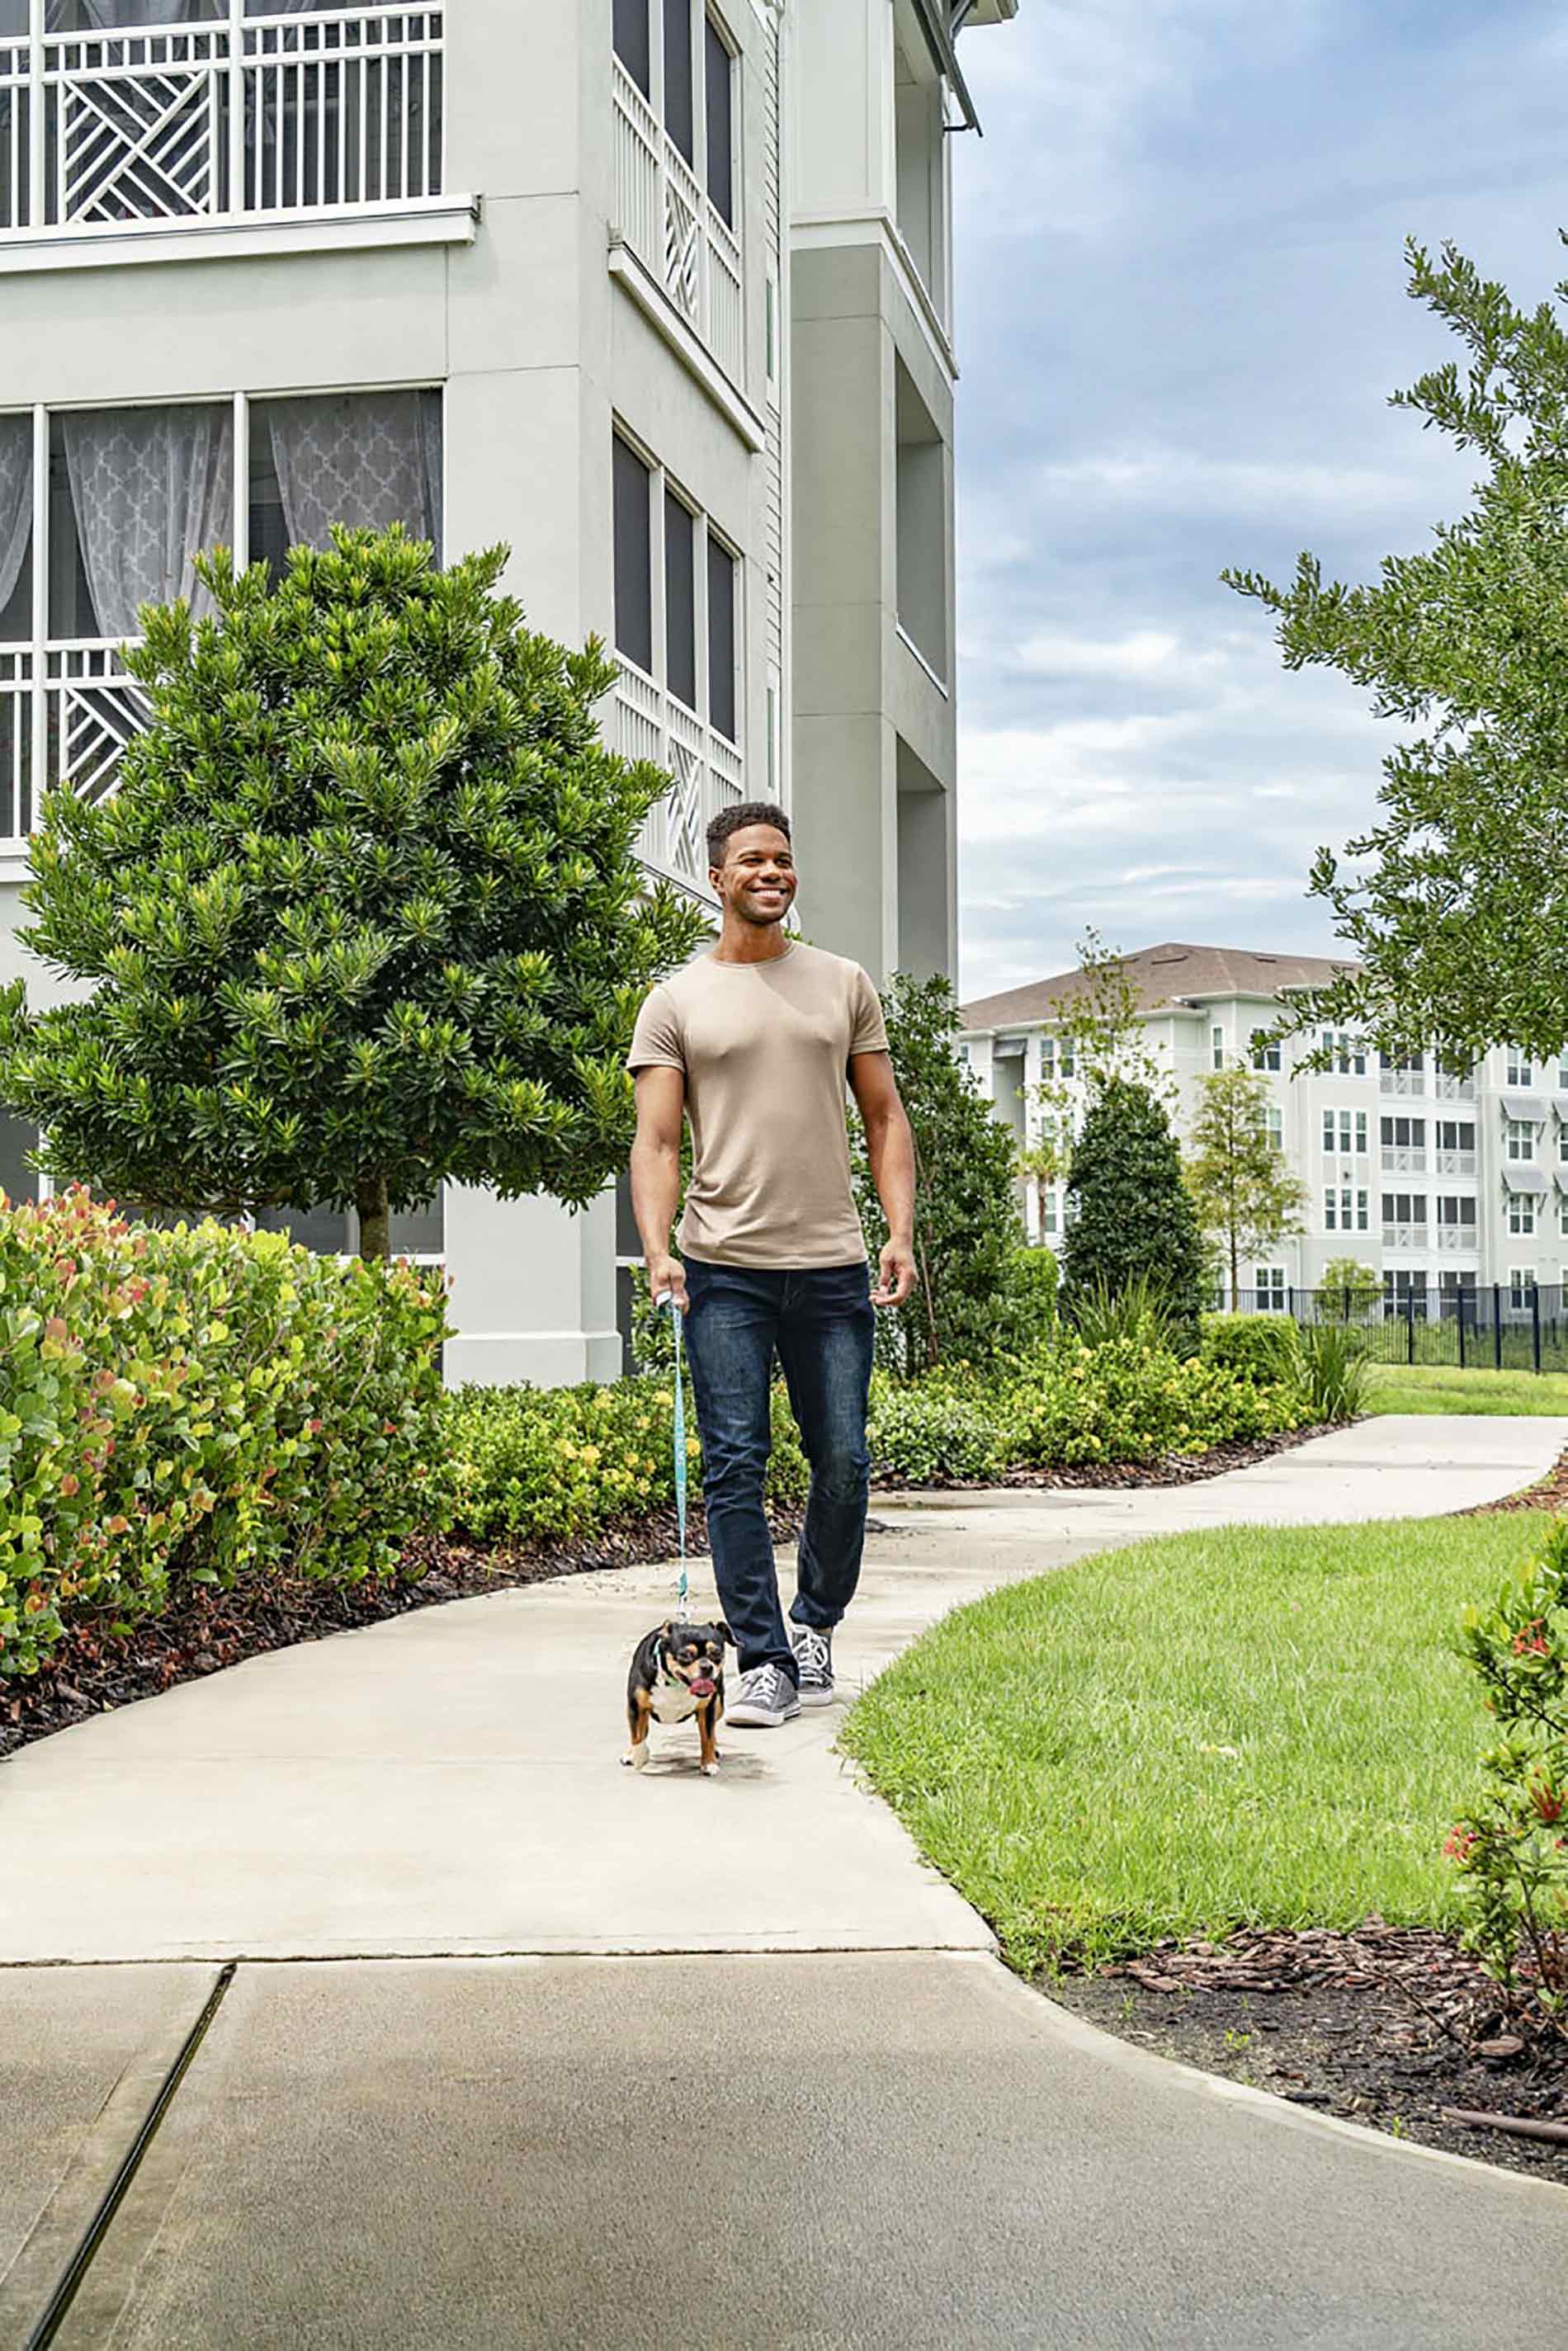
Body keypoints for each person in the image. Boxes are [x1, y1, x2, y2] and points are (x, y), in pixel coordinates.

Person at [626, 801, 918, 1727]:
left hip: (831, 1265)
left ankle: (815, 1625)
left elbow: (884, 1117)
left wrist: (899, 1229)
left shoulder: (841, 983)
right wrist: (656, 1246)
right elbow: (658, 1140)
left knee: (842, 1455)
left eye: (784, 859)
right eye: (753, 859)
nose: (772, 872)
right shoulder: (676, 999)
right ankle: (763, 1657)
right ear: (717, 877)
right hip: (724, 1269)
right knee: (735, 1464)